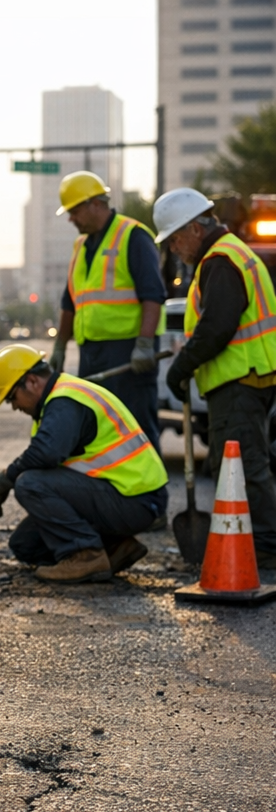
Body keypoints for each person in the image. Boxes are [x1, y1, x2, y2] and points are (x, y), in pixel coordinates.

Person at [154, 187, 276, 569]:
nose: (175, 249)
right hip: (244, 378)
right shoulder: (227, 255)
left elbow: (217, 326)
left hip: (240, 380)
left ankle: (267, 549)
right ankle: (255, 545)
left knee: (245, 467)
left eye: (175, 239)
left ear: (194, 228)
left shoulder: (220, 261)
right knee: (236, 466)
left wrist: (183, 365)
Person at [0, 344, 169, 583]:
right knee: (25, 545)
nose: (15, 406)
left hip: (135, 499)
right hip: (121, 496)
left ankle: (86, 556)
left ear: (31, 381)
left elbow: (45, 455)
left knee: (29, 483)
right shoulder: (59, 399)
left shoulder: (64, 401)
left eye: (12, 397)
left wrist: (5, 478)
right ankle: (115, 548)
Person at [49, 171, 168, 457]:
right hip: (92, 351)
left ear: (96, 204)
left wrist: (144, 344)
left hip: (129, 353)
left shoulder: (133, 236)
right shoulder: (80, 246)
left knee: (136, 426)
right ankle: (107, 495)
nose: (71, 218)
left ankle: (151, 499)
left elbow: (153, 295)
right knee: (96, 426)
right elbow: (70, 301)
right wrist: (60, 346)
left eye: (75, 211)